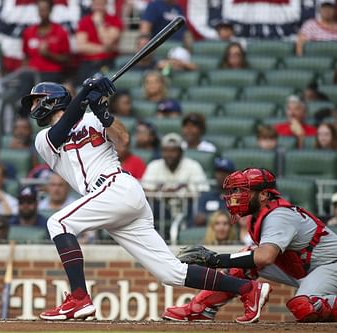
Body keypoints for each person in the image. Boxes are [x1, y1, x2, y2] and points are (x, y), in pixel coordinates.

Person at [21, 78, 271, 323]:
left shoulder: (91, 118)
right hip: (108, 202)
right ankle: (248, 289)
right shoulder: (43, 139)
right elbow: (61, 131)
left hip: (118, 187)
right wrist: (84, 93)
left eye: (36, 101)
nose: (33, 107)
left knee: (59, 223)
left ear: (53, 100)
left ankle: (78, 298)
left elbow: (123, 139)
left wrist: (103, 113)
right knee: (170, 272)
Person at [166, 168, 337, 323]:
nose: (236, 195)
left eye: (243, 191)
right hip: (306, 268)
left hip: (330, 265)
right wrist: (219, 260)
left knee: (303, 306)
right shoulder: (258, 216)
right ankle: (199, 308)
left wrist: (216, 259)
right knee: (244, 262)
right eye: (236, 190)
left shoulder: (278, 215)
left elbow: (265, 257)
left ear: (263, 195)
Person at [142, 133, 209, 195]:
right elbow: (145, 190)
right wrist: (162, 192)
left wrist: (179, 192)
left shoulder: (193, 166)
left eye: (173, 151)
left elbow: (203, 191)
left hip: (187, 206)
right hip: (159, 205)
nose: (169, 155)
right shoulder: (154, 165)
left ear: (181, 152)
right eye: (165, 151)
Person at [22, 0, 70, 83]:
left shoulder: (60, 31)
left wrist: (49, 54)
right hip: (32, 75)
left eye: (45, 9)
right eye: (40, 10)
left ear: (50, 10)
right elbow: (25, 57)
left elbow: (67, 58)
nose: (42, 13)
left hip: (53, 74)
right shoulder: (28, 32)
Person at [75, 0, 123, 84]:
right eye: (96, 4)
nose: (98, 7)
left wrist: (99, 23)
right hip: (88, 64)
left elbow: (107, 42)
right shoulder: (84, 21)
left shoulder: (114, 20)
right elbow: (81, 47)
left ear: (106, 5)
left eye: (101, 4)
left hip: (108, 62)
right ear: (92, 5)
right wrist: (106, 48)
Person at [193, 157, 235, 227]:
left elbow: (236, 219)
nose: (221, 176)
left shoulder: (238, 197)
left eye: (225, 173)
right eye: (218, 172)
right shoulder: (206, 196)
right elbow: (198, 220)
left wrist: (207, 217)